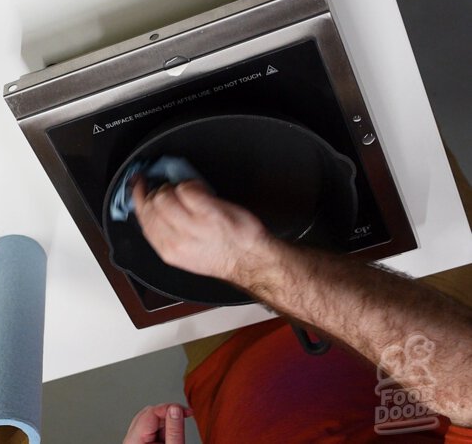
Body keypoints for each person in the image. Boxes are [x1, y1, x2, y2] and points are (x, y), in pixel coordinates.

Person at [122, 154, 472, 444]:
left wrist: (248, 265)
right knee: (375, 112)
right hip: (417, 308)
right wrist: (254, 264)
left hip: (225, 353)